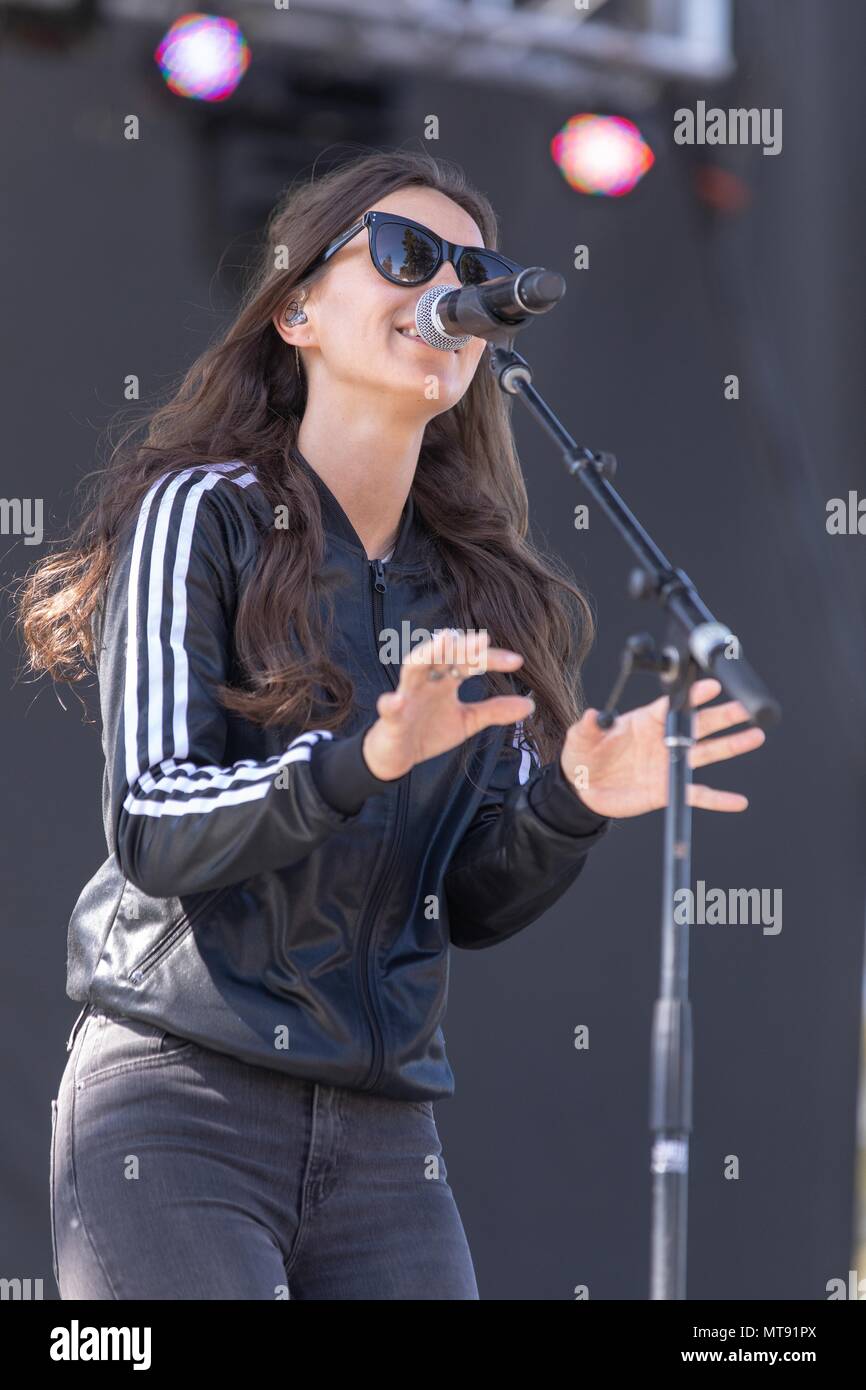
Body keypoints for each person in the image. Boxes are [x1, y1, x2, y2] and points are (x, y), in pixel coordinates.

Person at [19, 148, 764, 1300]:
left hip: (384, 1144)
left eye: (474, 271)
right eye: (407, 256)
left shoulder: (479, 584)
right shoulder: (202, 515)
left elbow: (470, 899)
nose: (447, 289)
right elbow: (153, 823)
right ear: (297, 308)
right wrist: (363, 758)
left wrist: (573, 801)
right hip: (177, 1104)